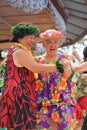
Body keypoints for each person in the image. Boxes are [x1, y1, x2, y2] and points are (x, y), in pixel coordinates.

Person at [0, 23, 69, 130]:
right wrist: (58, 66)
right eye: (29, 38)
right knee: (21, 125)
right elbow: (37, 68)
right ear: (20, 38)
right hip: (19, 93)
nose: (32, 41)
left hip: (19, 92)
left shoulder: (16, 51)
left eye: (33, 38)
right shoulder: (20, 52)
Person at [35, 29, 76, 130]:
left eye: (55, 42)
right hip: (43, 107)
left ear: (58, 44)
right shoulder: (36, 61)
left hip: (62, 106)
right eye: (48, 42)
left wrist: (66, 71)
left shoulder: (65, 59)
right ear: (43, 44)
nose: (52, 45)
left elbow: (68, 78)